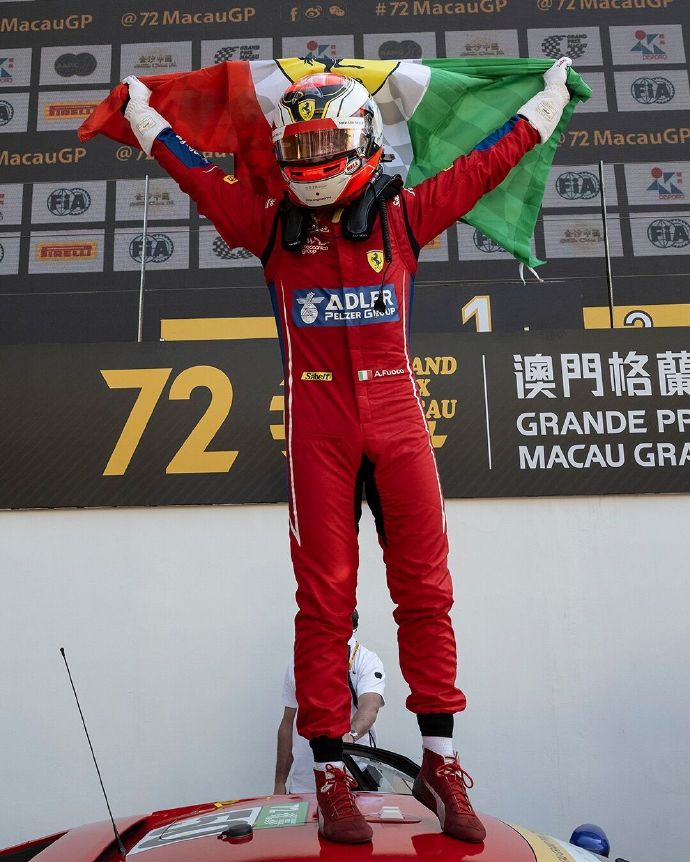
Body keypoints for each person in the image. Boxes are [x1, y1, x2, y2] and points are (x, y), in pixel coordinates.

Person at [121, 57, 572, 845]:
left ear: (362, 140)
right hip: (318, 429)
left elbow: (484, 163)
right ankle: (329, 772)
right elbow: (195, 173)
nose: (313, 161)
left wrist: (545, 105)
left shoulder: (402, 218)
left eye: (327, 143)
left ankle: (441, 762)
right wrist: (142, 118)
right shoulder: (268, 225)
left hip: (397, 419)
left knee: (427, 592)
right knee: (325, 605)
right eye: (299, 148)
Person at [274, 609, 385, 794]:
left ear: (352, 627)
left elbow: (370, 706)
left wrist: (349, 736)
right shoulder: (298, 663)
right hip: (304, 783)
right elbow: (287, 722)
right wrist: (279, 782)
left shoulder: (366, 660)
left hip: (354, 777)